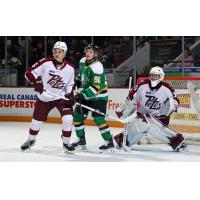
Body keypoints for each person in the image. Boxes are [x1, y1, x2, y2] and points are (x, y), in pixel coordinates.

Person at [114, 66, 187, 152]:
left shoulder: (167, 88)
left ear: (161, 76)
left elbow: (175, 101)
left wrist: (171, 106)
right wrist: (124, 111)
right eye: (152, 75)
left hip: (161, 118)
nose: (153, 78)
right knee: (142, 123)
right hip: (143, 116)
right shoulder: (142, 85)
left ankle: (178, 142)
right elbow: (132, 99)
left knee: (147, 122)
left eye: (156, 76)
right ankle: (121, 141)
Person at [21, 41, 76, 153]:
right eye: (55, 51)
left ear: (64, 53)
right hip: (45, 97)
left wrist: (70, 95)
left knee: (68, 118)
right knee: (36, 121)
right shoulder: (45, 62)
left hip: (61, 97)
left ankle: (66, 142)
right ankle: (31, 140)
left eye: (60, 52)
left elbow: (71, 84)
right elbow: (28, 72)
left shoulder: (70, 68)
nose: (57, 54)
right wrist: (37, 82)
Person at [72, 44, 114, 150]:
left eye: (90, 52)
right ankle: (81, 139)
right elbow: (81, 75)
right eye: (87, 51)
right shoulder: (82, 61)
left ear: (95, 54)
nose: (88, 53)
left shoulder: (97, 67)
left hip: (99, 95)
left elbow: (96, 87)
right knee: (77, 116)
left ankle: (109, 141)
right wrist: (77, 82)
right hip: (87, 94)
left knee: (98, 118)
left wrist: (82, 95)